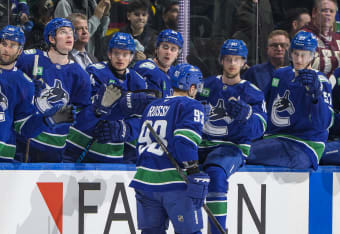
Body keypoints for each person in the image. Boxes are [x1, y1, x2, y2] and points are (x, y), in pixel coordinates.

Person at [129, 63, 210, 233]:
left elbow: (139, 145)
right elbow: (184, 141)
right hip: (174, 182)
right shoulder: (192, 105)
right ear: (192, 87)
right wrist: (194, 171)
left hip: (144, 180)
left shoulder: (152, 106)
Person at [196, 39, 266, 234]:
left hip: (232, 147)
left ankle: (217, 230)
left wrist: (247, 116)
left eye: (237, 59)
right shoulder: (206, 85)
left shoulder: (252, 93)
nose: (232, 63)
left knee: (216, 173)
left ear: (244, 63)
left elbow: (260, 128)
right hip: (202, 144)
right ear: (221, 60)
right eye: (228, 59)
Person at [247, 31, 333, 169]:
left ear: (312, 56)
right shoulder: (280, 74)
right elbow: (264, 105)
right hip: (275, 140)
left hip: (304, 147)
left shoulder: (321, 82)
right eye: (296, 54)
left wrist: (316, 97)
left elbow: (324, 123)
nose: (298, 59)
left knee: (244, 153)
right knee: (240, 147)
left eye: (303, 55)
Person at [14, 18, 91, 162]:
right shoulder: (29, 59)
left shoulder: (80, 75)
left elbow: (80, 117)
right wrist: (24, 87)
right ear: (51, 38)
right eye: (63, 32)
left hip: (55, 148)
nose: (69, 36)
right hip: (24, 144)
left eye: (71, 32)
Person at [64, 32, 148, 163]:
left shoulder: (138, 81)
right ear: (109, 54)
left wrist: (123, 129)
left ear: (131, 57)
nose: (120, 58)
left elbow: (140, 121)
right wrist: (97, 112)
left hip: (113, 153)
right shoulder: (95, 72)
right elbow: (80, 114)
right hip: (79, 146)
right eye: (116, 53)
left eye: (125, 54)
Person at [0, 25, 75, 162]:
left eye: (12, 45)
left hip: (4, 157)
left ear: (19, 51)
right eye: (3, 43)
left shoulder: (24, 83)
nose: (6, 49)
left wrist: (47, 120)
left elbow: (24, 129)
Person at [302, 0, 340, 76]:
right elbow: (309, 65)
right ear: (314, 12)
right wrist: (339, 58)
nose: (328, 14)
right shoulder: (304, 35)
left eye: (331, 11)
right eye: (324, 10)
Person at [133, 29, 183, 98]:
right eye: (165, 47)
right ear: (156, 49)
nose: (168, 52)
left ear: (177, 54)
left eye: (173, 49)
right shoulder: (145, 67)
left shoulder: (174, 73)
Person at [243, 30, 290, 99]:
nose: (279, 49)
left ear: (289, 48)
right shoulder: (254, 72)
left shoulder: (296, 72)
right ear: (267, 49)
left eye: (283, 45)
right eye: (275, 45)